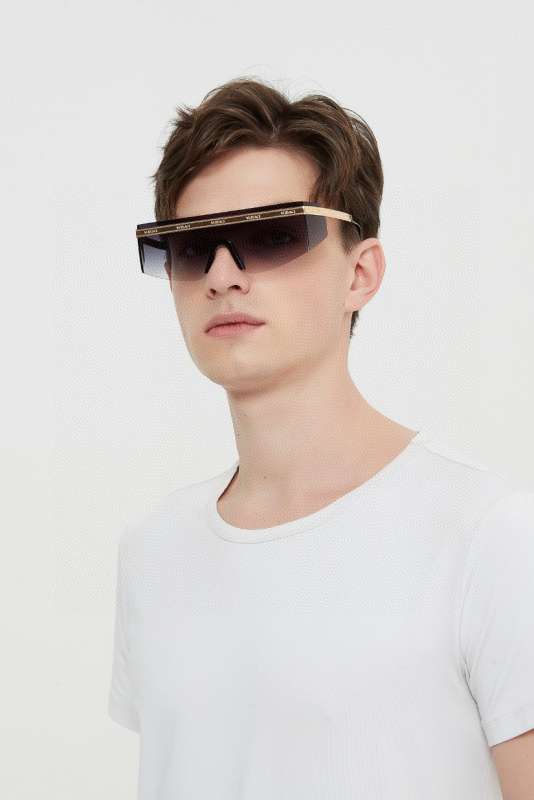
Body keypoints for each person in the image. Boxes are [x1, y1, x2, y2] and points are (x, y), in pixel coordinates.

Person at [108, 77, 534, 799]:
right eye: (190, 247)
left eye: (271, 235)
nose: (221, 274)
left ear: (360, 274)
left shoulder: (485, 535)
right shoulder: (154, 550)